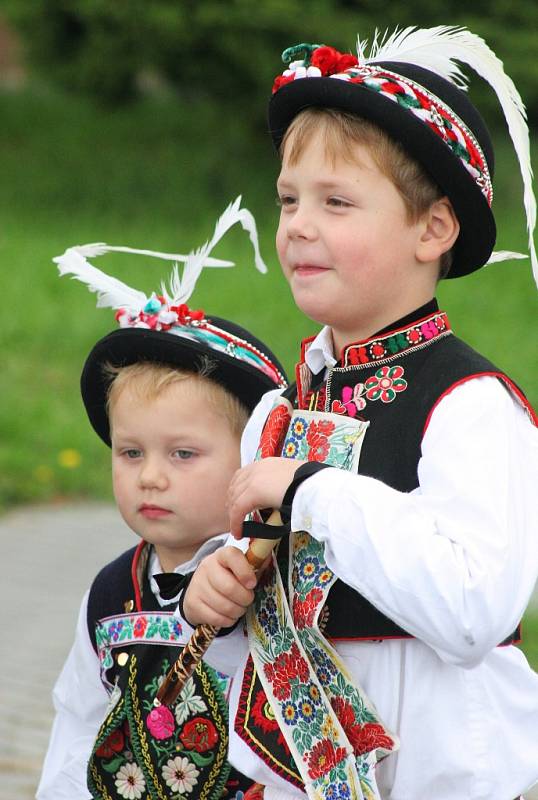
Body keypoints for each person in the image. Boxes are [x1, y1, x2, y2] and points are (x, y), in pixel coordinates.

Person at [182, 28, 538, 800]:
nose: (299, 225)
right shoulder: (280, 408)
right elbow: (265, 578)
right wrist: (214, 580)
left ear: (432, 229)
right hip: (298, 779)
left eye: (336, 202)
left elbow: (475, 611)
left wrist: (313, 491)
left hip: (441, 774)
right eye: (288, 200)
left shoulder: (472, 405)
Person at [36, 201, 288, 800]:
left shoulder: (267, 580)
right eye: (130, 453)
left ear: (249, 462)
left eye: (182, 454)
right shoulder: (108, 593)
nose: (150, 476)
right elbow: (78, 718)